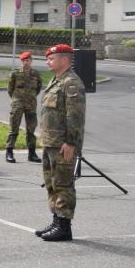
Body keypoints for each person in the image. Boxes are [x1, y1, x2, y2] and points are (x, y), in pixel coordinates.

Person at [34, 44, 85, 242]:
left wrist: (71, 143)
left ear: (64, 59)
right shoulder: (56, 81)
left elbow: (75, 116)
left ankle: (64, 227)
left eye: (51, 58)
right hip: (50, 142)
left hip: (63, 144)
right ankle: (56, 220)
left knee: (63, 184)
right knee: (51, 183)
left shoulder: (71, 83)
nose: (48, 61)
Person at [5, 50, 43, 163]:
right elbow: (10, 89)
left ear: (31, 61)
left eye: (28, 60)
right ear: (21, 61)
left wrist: (31, 97)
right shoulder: (15, 74)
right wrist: (17, 99)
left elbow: (38, 88)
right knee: (14, 128)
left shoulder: (35, 74)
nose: (26, 62)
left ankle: (32, 153)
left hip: (31, 104)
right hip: (18, 104)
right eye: (24, 60)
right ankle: (9, 151)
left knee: (31, 129)